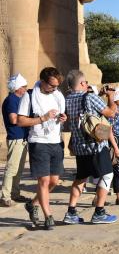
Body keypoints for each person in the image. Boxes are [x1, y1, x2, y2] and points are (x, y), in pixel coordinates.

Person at [64, 70, 119, 225]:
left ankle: (71, 212)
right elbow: (110, 113)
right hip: (96, 145)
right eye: (86, 82)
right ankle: (99, 212)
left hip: (79, 146)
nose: (87, 84)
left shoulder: (67, 99)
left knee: (80, 179)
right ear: (82, 83)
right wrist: (111, 98)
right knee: (107, 176)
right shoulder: (89, 97)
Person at [17, 67, 66, 230]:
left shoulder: (58, 96)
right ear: (43, 82)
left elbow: (60, 117)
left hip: (56, 141)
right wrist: (43, 118)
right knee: (44, 181)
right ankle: (48, 216)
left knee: (53, 181)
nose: (55, 89)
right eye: (52, 86)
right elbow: (21, 121)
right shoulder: (29, 95)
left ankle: (32, 204)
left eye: (57, 86)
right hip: (38, 141)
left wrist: (63, 118)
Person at [1, 74, 30, 207]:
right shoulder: (11, 100)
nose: (25, 89)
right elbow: (13, 119)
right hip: (15, 137)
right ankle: (5, 196)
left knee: (18, 169)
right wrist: (29, 120)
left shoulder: (19, 99)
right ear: (17, 88)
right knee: (12, 168)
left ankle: (14, 193)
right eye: (23, 87)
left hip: (22, 138)